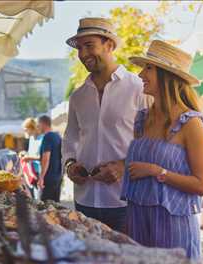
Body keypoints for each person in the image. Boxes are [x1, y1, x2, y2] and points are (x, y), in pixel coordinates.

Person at [121, 40, 203, 261]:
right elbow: (139, 166)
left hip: (173, 228)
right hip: (138, 221)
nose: (141, 74)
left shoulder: (190, 123)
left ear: (167, 76)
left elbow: (201, 185)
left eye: (148, 68)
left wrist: (156, 171)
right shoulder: (142, 119)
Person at [62, 17, 147, 232]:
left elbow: (153, 140)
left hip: (127, 201)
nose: (82, 54)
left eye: (89, 46)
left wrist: (123, 166)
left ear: (109, 45)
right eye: (79, 48)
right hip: (84, 202)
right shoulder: (78, 96)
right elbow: (70, 138)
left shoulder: (139, 88)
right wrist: (70, 165)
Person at [37, 115, 62, 202]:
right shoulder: (57, 136)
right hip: (57, 177)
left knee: (44, 208)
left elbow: (46, 158)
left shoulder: (47, 137)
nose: (37, 127)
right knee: (55, 208)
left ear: (43, 124)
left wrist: (41, 177)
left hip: (48, 178)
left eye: (38, 124)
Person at [21, 117, 44, 198]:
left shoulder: (42, 139)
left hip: (39, 172)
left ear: (31, 128)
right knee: (34, 196)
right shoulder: (31, 138)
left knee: (39, 197)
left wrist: (29, 158)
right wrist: (25, 154)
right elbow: (31, 153)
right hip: (31, 172)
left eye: (26, 129)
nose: (25, 131)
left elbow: (42, 157)